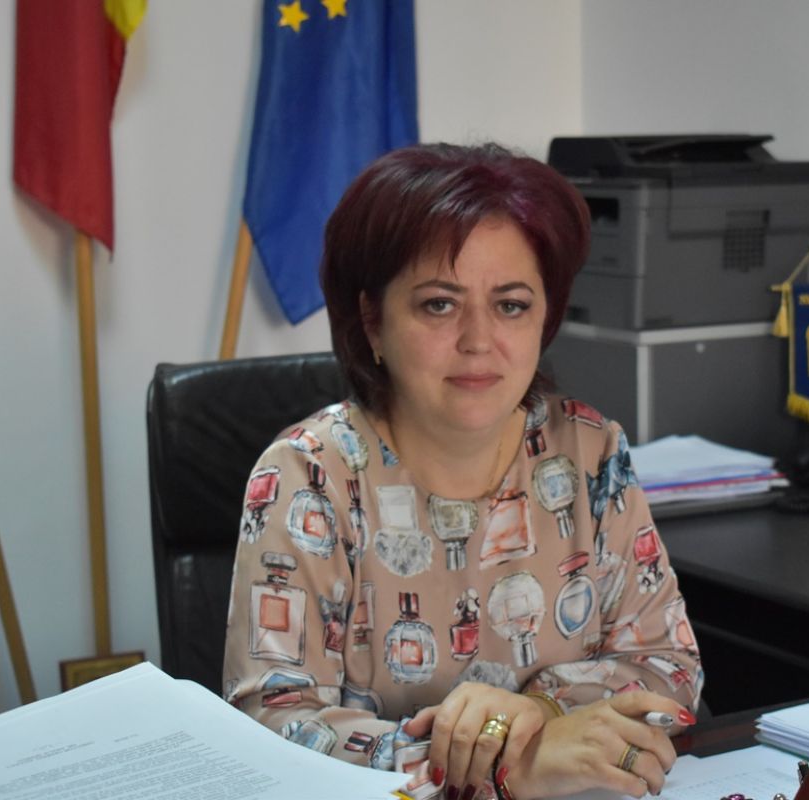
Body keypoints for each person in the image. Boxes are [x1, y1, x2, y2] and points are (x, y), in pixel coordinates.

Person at [223, 142, 703, 800]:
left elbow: (670, 668)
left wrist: (542, 713)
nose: (479, 341)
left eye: (511, 305)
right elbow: (271, 727)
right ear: (373, 322)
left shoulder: (590, 453)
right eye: (439, 305)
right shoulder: (309, 477)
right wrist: (501, 766)